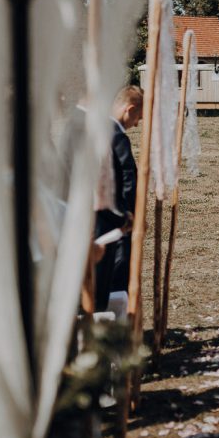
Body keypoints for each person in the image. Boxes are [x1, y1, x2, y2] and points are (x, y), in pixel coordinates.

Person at [93, 85, 142, 312]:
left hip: (96, 217)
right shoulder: (118, 138)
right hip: (116, 219)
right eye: (137, 117)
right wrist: (130, 215)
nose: (137, 123)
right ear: (129, 109)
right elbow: (128, 181)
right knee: (116, 275)